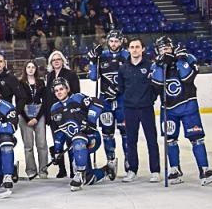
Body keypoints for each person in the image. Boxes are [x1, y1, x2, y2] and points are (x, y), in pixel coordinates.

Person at [149, 36, 212, 186]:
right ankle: (175, 170)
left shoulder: (187, 58)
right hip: (168, 110)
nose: (164, 51)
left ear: (172, 48)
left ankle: (204, 169)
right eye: (161, 49)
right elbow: (158, 84)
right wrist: (162, 65)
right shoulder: (155, 66)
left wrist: (179, 59)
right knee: (170, 140)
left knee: (196, 138)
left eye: (167, 48)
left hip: (188, 107)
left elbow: (188, 78)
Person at [49, 77, 111, 191]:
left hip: (92, 138)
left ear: (68, 89)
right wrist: (57, 151)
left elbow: (97, 103)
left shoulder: (77, 98)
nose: (59, 92)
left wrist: (91, 121)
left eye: (61, 89)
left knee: (78, 140)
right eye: (56, 90)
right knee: (88, 179)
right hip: (76, 145)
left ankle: (79, 174)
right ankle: (107, 170)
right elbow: (59, 133)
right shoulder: (54, 109)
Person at [118, 37, 160, 182]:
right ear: (128, 49)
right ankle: (132, 170)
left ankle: (155, 171)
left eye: (137, 47)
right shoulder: (123, 68)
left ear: (142, 49)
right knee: (131, 141)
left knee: (151, 140)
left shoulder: (150, 66)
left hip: (146, 108)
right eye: (132, 47)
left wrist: (149, 100)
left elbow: (155, 87)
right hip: (129, 109)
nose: (134, 49)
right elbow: (121, 87)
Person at [87, 30, 129, 175]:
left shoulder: (126, 56)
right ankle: (110, 160)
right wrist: (92, 61)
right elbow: (93, 77)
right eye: (111, 41)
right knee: (107, 132)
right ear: (107, 42)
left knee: (125, 132)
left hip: (122, 100)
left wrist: (119, 89)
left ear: (121, 41)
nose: (114, 44)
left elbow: (130, 76)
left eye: (116, 41)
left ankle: (129, 160)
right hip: (105, 100)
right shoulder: (101, 56)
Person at [43, 50, 81, 178]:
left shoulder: (70, 74)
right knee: (58, 142)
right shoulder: (49, 75)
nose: (56, 61)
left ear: (63, 60)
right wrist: (49, 116)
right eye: (54, 60)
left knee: (71, 142)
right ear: (51, 62)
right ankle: (62, 169)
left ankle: (73, 169)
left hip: (68, 113)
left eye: (58, 59)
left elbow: (76, 93)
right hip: (55, 114)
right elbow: (47, 96)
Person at [18, 61, 48, 178]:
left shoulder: (40, 82)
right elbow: (19, 102)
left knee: (42, 144)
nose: (30, 69)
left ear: (36, 69)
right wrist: (27, 119)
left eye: (33, 67)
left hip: (39, 111)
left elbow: (44, 102)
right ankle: (31, 170)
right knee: (28, 145)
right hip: (25, 112)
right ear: (25, 69)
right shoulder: (20, 83)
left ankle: (43, 170)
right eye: (28, 67)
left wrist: (37, 117)